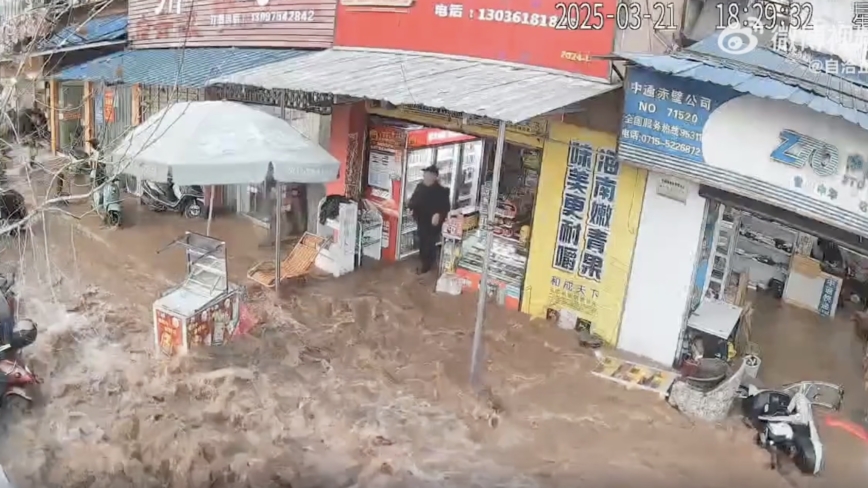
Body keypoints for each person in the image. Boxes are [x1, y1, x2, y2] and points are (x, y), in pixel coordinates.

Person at [407, 165, 450, 274]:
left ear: (434, 177)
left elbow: (446, 207)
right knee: (422, 241)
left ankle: (427, 264)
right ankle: (425, 261)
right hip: (421, 219)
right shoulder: (420, 187)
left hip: (433, 222)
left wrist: (439, 215)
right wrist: (411, 208)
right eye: (425, 174)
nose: (425, 176)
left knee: (429, 242)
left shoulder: (441, 191)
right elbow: (413, 200)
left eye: (428, 174)